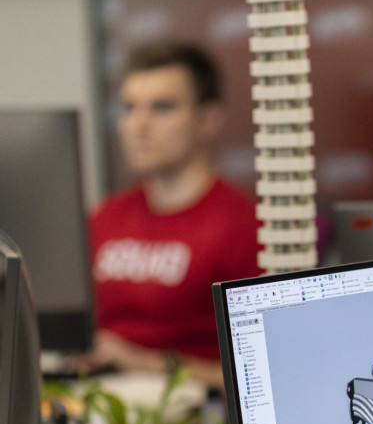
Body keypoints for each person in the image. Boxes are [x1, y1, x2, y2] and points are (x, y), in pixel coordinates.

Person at [87, 41, 260, 387]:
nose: (138, 125)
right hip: (96, 407)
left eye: (162, 107)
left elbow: (260, 378)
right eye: (128, 108)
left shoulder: (245, 228)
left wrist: (141, 362)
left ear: (208, 120)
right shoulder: (105, 217)